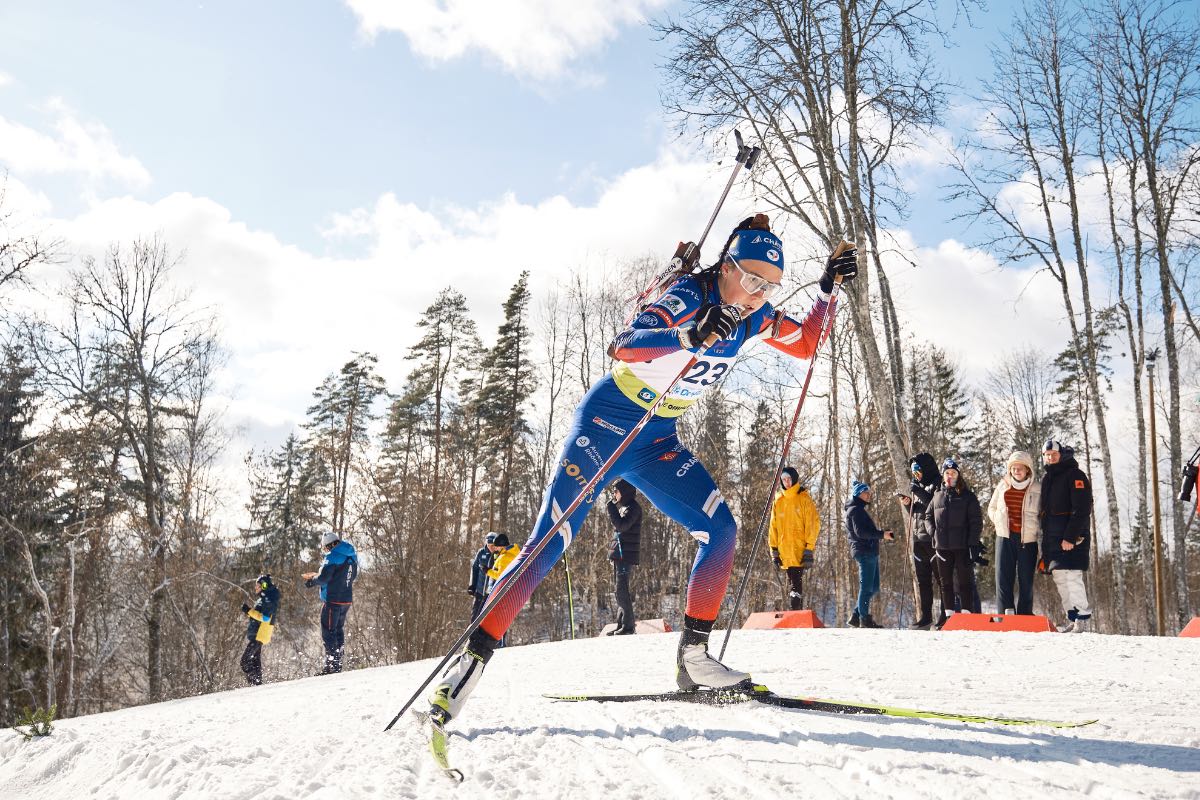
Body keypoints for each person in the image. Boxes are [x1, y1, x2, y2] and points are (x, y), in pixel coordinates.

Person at [427, 213, 857, 729]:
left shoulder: (752, 316)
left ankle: (695, 659)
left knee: (720, 529)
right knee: (553, 541)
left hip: (658, 438)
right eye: (750, 279)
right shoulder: (687, 296)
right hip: (610, 421)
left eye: (769, 286)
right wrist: (687, 335)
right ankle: (470, 660)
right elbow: (626, 344)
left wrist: (827, 289)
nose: (758, 294)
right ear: (726, 267)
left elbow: (807, 343)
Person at [1039, 440, 1093, 632]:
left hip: (1072, 538)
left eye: (1054, 454)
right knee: (1060, 578)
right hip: (1053, 539)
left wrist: (1071, 537)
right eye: (1047, 455)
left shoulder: (1075, 475)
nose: (1050, 457)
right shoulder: (1047, 479)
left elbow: (1082, 508)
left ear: (1062, 454)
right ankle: (1072, 617)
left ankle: (1083, 617)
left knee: (1072, 576)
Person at [925, 457, 983, 629]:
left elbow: (976, 521)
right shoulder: (936, 496)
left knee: (965, 583)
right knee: (946, 583)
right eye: (947, 473)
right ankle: (948, 617)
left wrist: (972, 543)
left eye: (953, 473)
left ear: (958, 475)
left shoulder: (967, 496)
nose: (950, 476)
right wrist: (933, 533)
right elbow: (928, 517)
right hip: (942, 547)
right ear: (943, 476)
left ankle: (967, 616)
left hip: (963, 547)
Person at [987, 451, 1041, 615]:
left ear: (1027, 470)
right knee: (1003, 578)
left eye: (1020, 468)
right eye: (1013, 468)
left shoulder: (1037, 488)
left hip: (1028, 540)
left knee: (1026, 580)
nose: (1017, 471)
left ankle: (1025, 614)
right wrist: (998, 519)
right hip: (1005, 537)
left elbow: (1043, 514)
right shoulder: (1002, 485)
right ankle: (1006, 613)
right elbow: (992, 507)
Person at [302, 530, 359, 674]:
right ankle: (337, 664)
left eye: (325, 547)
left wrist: (312, 581)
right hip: (345, 600)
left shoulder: (332, 556)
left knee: (328, 632)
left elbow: (324, 578)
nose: (325, 550)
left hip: (333, 600)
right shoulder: (351, 556)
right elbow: (350, 576)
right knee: (338, 630)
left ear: (330, 544)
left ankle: (331, 666)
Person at [898, 453, 942, 629]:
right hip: (918, 539)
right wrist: (908, 504)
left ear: (926, 468)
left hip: (934, 539)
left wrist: (918, 491)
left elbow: (935, 506)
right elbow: (918, 511)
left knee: (941, 580)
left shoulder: (938, 482)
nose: (916, 474)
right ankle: (926, 617)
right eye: (913, 472)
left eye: (918, 470)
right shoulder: (918, 485)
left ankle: (946, 616)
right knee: (923, 580)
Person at [769, 467, 820, 610]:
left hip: (800, 549)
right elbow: (773, 526)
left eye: (789, 479)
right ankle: (796, 611)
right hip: (784, 550)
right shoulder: (778, 500)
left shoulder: (804, 498)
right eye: (784, 479)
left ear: (794, 478)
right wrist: (774, 549)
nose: (787, 482)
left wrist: (809, 548)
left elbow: (813, 524)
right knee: (793, 580)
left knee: (796, 581)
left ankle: (796, 608)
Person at [844, 481, 893, 628]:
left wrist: (881, 534)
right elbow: (861, 533)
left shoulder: (858, 509)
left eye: (869, 493)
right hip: (864, 552)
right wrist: (881, 534)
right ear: (858, 494)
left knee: (874, 587)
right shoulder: (855, 510)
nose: (869, 495)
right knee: (866, 588)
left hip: (869, 551)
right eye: (866, 493)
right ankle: (864, 620)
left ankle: (856, 615)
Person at [606, 478, 643, 635]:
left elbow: (622, 526)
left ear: (625, 491)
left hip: (625, 555)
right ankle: (621, 624)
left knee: (622, 590)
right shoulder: (625, 507)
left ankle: (628, 627)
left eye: (616, 491)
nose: (614, 494)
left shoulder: (633, 508)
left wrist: (611, 508)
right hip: (619, 554)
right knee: (618, 591)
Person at [239, 573, 280, 686]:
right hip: (257, 634)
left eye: (257, 585)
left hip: (259, 634)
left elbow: (265, 618)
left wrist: (248, 611)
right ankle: (257, 685)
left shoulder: (268, 598)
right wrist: (249, 612)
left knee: (244, 661)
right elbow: (258, 615)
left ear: (264, 585)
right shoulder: (264, 598)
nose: (255, 588)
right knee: (255, 662)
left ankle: (254, 684)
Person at [467, 534, 501, 620]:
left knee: (488, 618)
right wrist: (472, 586)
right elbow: (475, 569)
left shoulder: (500, 555)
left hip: (492, 593)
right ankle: (472, 631)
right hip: (480, 591)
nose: (491, 548)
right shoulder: (481, 552)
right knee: (475, 616)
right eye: (489, 545)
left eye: (493, 545)